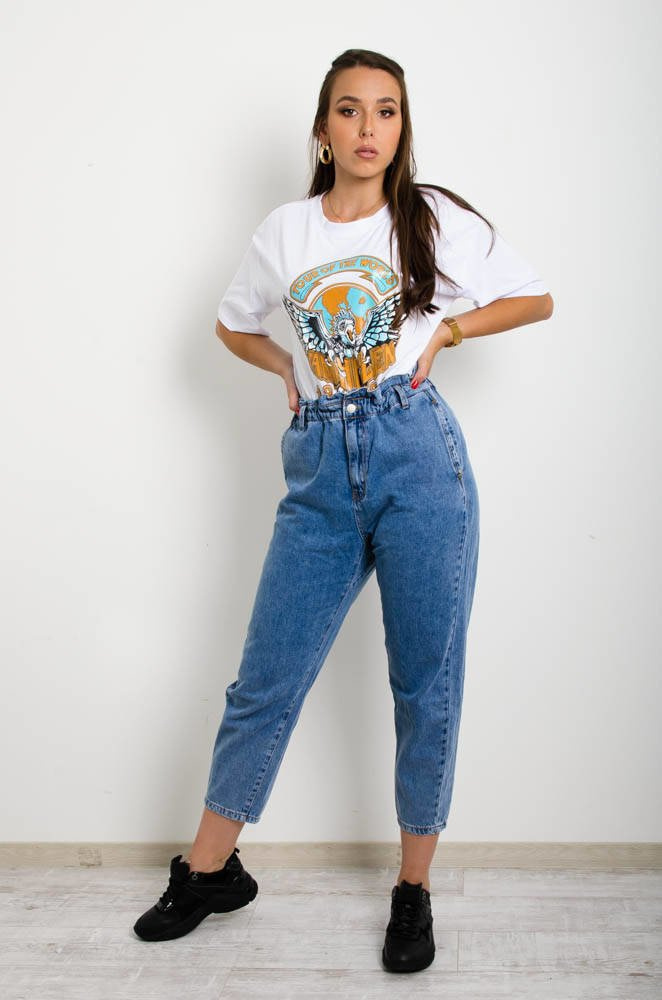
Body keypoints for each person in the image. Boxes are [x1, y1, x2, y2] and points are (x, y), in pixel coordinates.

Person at [133, 48, 553, 973]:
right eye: (351, 110)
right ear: (323, 130)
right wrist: (286, 365)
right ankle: (210, 870)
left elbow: (537, 298)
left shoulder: (428, 217)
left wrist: (448, 330)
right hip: (320, 464)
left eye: (387, 110)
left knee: (425, 683)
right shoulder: (284, 231)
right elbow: (232, 323)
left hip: (417, 456)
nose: (370, 128)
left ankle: (414, 890)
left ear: (403, 127)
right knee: (266, 676)